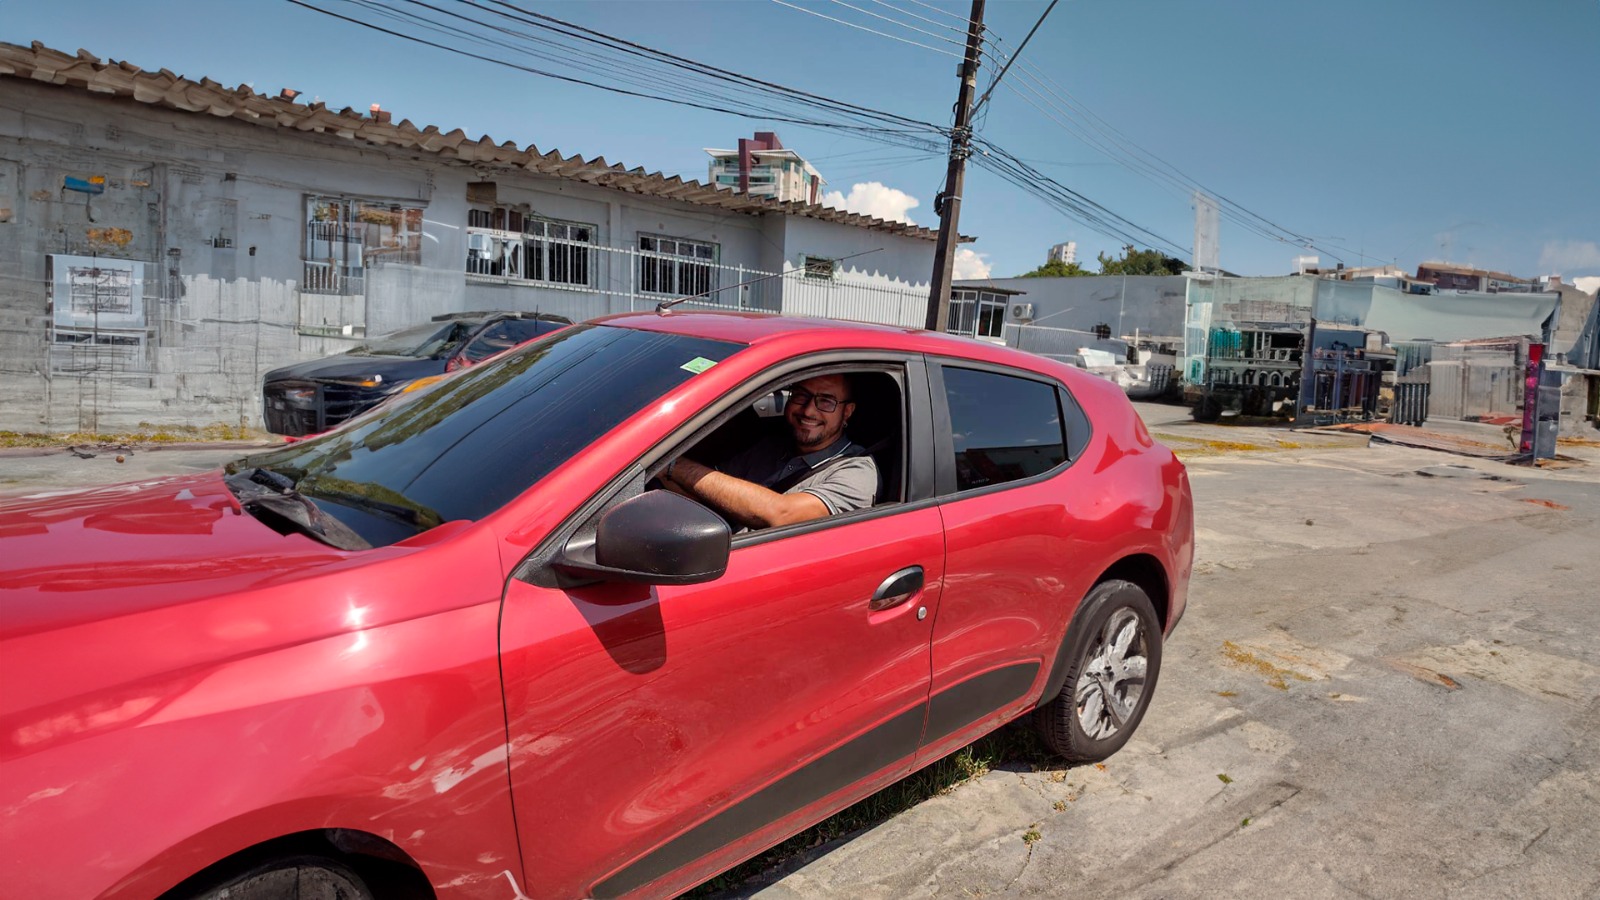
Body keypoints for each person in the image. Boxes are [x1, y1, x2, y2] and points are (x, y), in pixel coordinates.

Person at [662, 373, 877, 530]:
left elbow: (781, 513)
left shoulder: (856, 471)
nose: (809, 410)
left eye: (826, 402)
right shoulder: (771, 448)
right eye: (801, 396)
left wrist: (674, 466)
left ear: (847, 412)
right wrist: (657, 474)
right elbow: (707, 493)